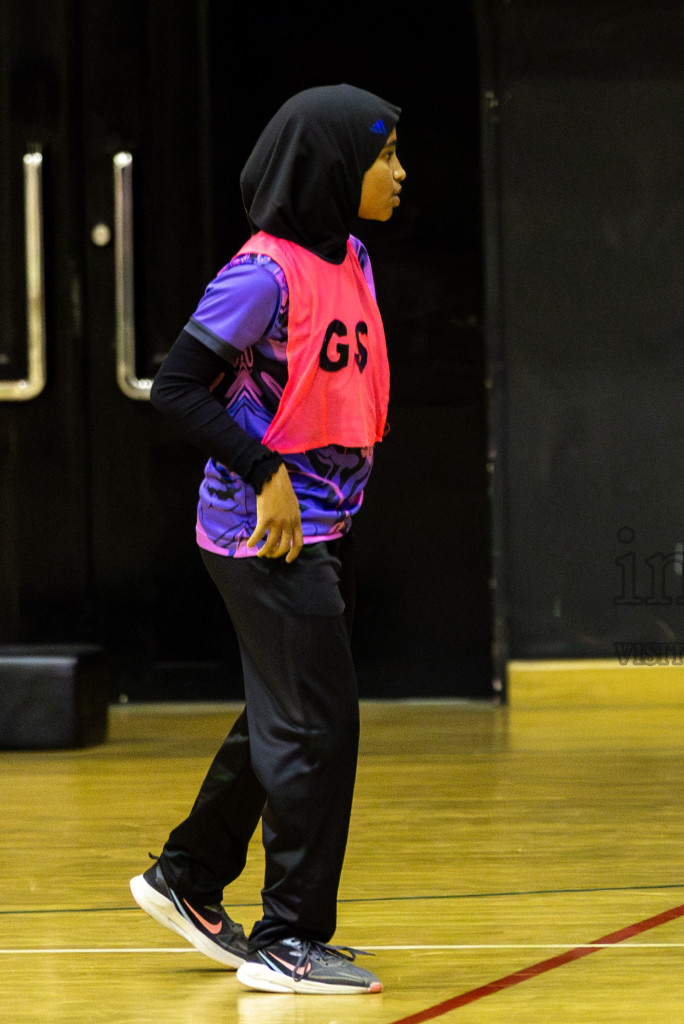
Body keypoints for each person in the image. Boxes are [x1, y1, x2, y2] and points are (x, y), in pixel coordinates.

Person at [128, 84, 405, 994]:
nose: (400, 173)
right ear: (333, 167)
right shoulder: (263, 271)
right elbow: (178, 389)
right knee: (319, 727)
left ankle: (188, 873)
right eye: (385, 156)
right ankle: (288, 937)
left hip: (328, 522)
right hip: (265, 531)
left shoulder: (351, 255)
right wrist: (266, 473)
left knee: (288, 716)